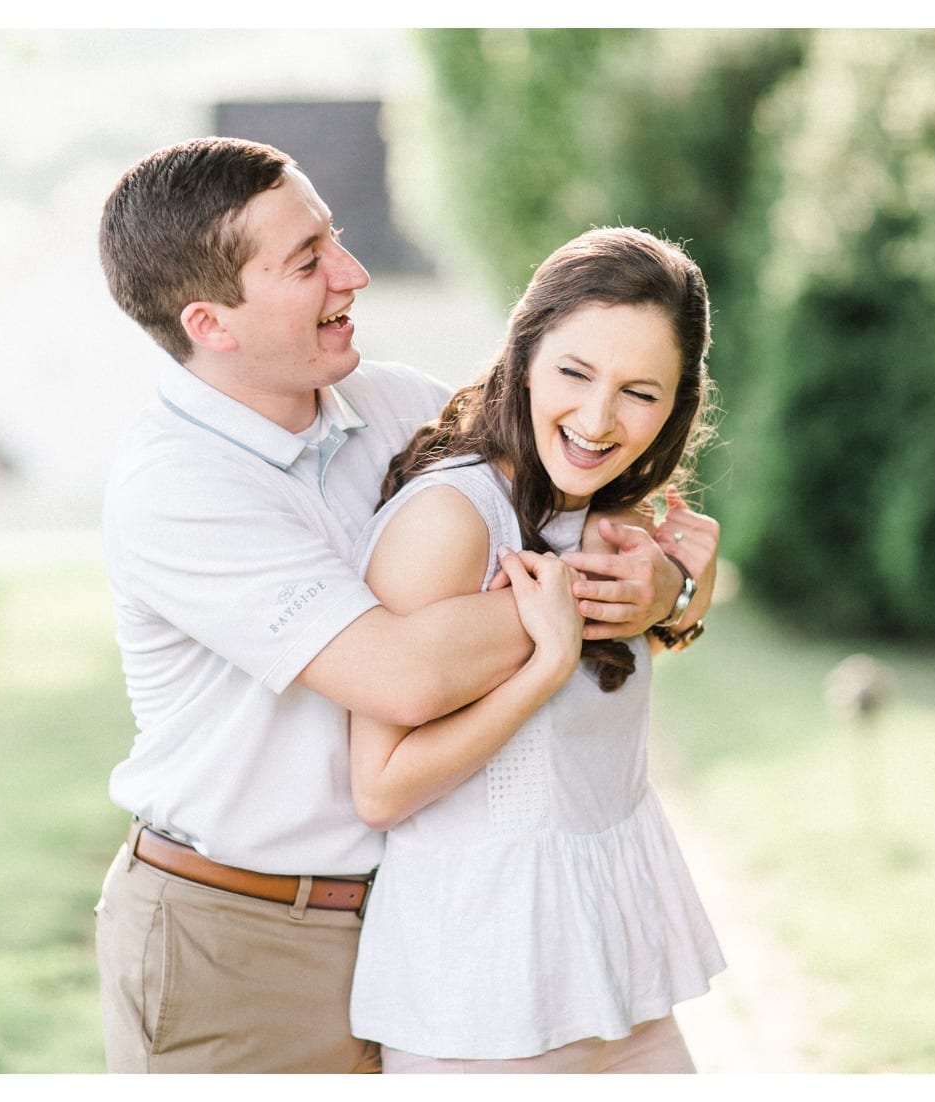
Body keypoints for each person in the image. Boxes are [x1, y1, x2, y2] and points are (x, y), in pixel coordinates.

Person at [93, 136, 719, 1073]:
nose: (354, 272)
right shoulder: (177, 487)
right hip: (238, 935)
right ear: (212, 322)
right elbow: (405, 673)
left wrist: (668, 581)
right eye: (308, 262)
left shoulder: (391, 408)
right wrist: (577, 598)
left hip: (409, 924)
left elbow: (588, 499)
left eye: (333, 237)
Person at [347, 226, 725, 1073]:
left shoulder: (606, 513)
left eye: (640, 391)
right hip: (482, 1001)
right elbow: (378, 789)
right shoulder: (450, 520)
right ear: (523, 355)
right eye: (575, 372)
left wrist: (680, 597)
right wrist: (543, 667)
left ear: (678, 405)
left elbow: (600, 699)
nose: (597, 420)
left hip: (620, 987)